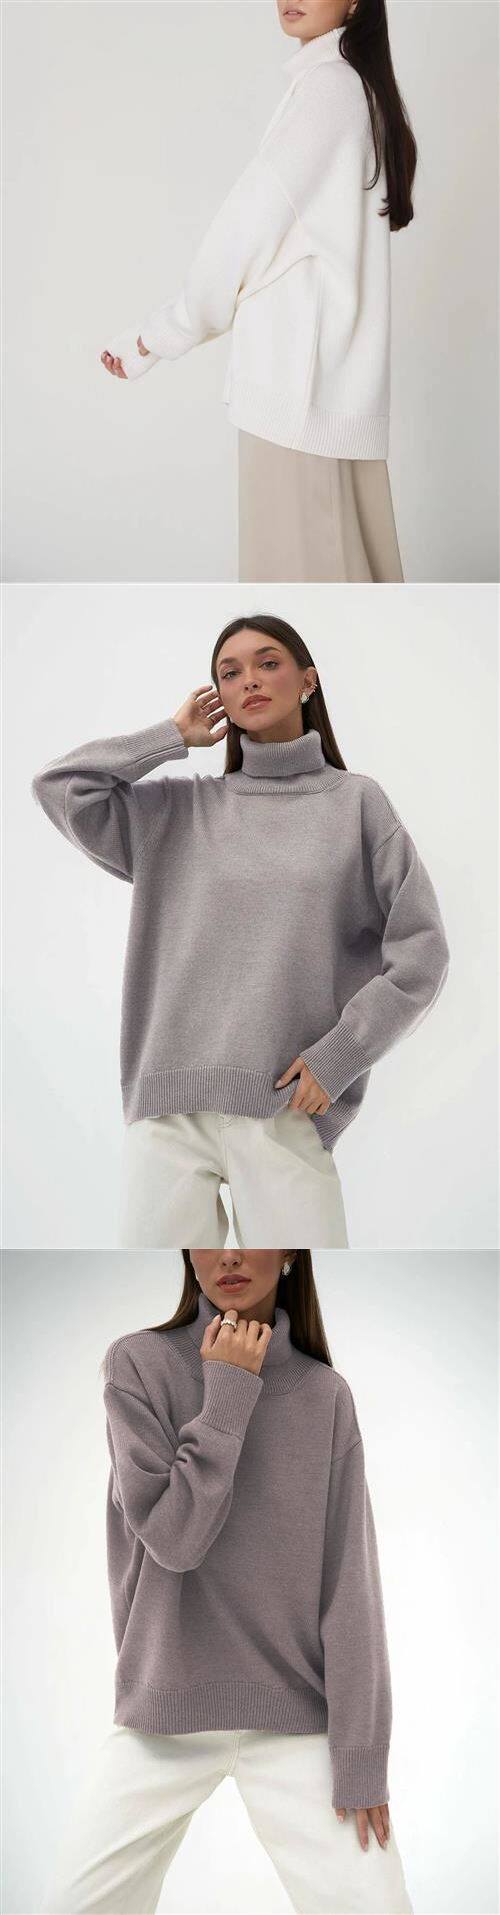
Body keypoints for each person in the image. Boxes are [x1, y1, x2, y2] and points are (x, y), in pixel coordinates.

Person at [32, 615, 449, 1247]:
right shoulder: (177, 811)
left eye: (268, 662)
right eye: (229, 673)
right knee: (155, 1279)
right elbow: (61, 788)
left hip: (287, 1109)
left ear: (308, 681)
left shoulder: (357, 804)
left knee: (306, 1274)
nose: (248, 679)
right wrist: (170, 737)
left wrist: (341, 1055)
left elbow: (422, 952)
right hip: (167, 1115)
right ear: (218, 696)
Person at [42, 1248, 413, 1914]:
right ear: (187, 1251)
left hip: (296, 1718)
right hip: (164, 1717)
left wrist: (362, 1755)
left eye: (255, 1233)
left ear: (292, 1250)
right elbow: (176, 1540)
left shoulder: (324, 1395)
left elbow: (351, 1587)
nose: (230, 1253)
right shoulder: (139, 1365)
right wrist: (229, 1392)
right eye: (210, 1236)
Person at [101, 0, 417, 583]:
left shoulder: (329, 90)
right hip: (328, 400)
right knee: (354, 586)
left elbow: (242, 235)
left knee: (303, 591)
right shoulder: (352, 88)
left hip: (295, 402)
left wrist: (158, 336)